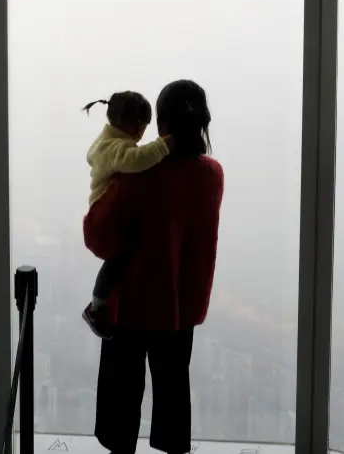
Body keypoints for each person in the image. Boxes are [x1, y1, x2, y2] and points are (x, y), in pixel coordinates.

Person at [83, 79, 224, 454]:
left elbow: (98, 239)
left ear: (161, 125)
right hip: (180, 309)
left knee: (121, 404)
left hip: (130, 304)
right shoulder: (212, 176)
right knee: (173, 396)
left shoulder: (139, 174)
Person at [80, 91, 172, 338]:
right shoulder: (114, 148)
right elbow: (136, 159)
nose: (143, 134)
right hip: (103, 216)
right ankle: (97, 306)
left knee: (118, 260)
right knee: (117, 259)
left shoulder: (108, 143)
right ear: (134, 124)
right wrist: (164, 145)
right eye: (143, 126)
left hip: (104, 214)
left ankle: (99, 305)